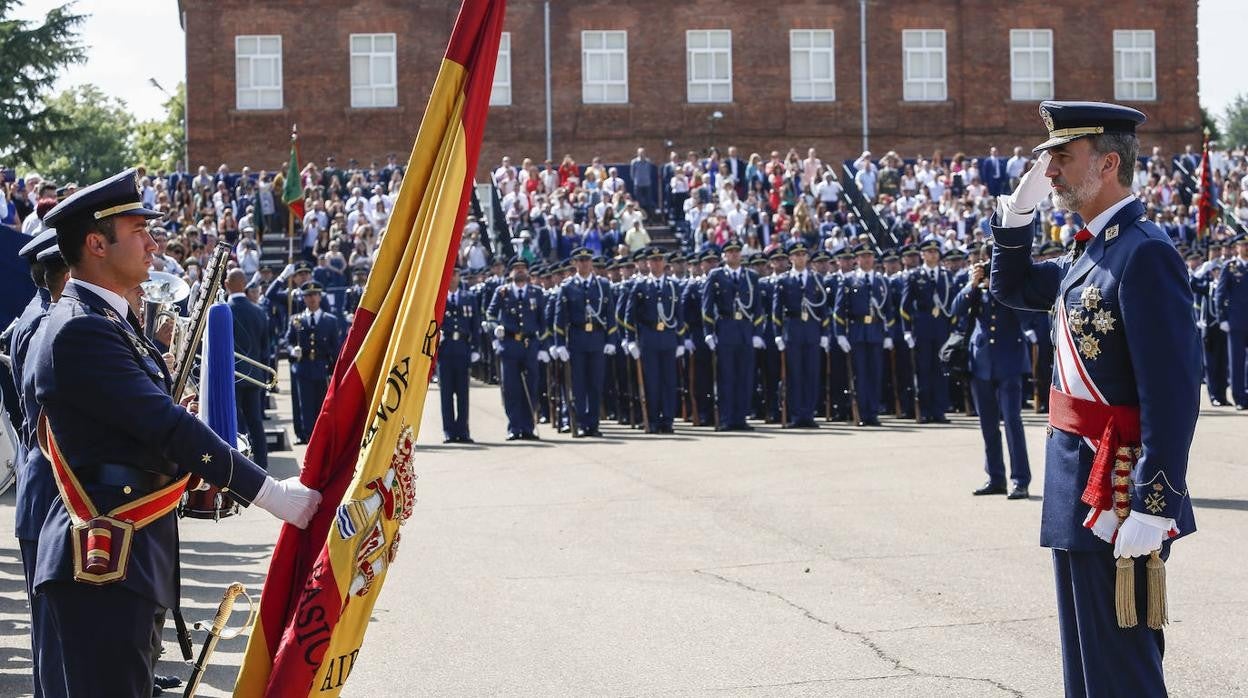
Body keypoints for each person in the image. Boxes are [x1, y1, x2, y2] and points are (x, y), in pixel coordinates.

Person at [25, 168, 320, 697]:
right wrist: (272, 495)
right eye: (139, 231)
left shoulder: (108, 321)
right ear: (96, 244)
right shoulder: (80, 328)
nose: (154, 245)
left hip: (126, 555)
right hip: (101, 564)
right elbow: (165, 426)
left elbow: (144, 425)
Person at [991, 102, 1200, 696]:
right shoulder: (1089, 250)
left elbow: (1173, 391)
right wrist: (1018, 218)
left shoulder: (1144, 252)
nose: (1050, 169)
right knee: (1085, 668)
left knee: (1122, 671)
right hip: (1075, 482)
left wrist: (1155, 501)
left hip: (1119, 490)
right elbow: (1012, 288)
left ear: (1108, 162)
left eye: (1062, 157)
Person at [953, 252, 1031, 499]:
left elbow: (1026, 314)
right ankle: (995, 477)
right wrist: (973, 285)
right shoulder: (974, 287)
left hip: (1009, 362)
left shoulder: (1011, 285)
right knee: (987, 424)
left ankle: (1020, 479)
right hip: (981, 363)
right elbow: (956, 309)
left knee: (1012, 422)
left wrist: (1001, 284)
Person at [701, 240, 766, 431]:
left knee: (744, 376)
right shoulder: (716, 275)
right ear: (724, 256)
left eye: (737, 251)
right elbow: (707, 306)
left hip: (745, 330)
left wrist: (757, 333)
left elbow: (758, 308)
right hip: (725, 328)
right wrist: (709, 333)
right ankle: (726, 417)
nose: (734, 255)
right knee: (726, 376)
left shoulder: (751, 276)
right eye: (730, 252)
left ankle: (741, 417)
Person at [551, 247, 616, 437]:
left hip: (596, 339)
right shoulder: (567, 287)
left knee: (595, 384)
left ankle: (593, 424)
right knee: (578, 385)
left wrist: (611, 339)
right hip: (577, 339)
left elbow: (609, 314)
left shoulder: (603, 285)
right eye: (580, 260)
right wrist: (560, 343)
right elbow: (560, 317)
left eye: (587, 260)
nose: (585, 263)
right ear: (574, 263)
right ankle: (579, 422)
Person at [623, 247, 688, 433]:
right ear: (648, 263)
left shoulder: (673, 286)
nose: (657, 263)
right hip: (649, 337)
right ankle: (651, 418)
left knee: (669, 381)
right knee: (652, 381)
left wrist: (681, 341)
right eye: (653, 260)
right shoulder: (640, 286)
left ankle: (667, 420)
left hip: (668, 337)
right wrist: (631, 340)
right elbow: (630, 316)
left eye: (660, 259)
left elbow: (679, 316)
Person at [487, 257, 550, 440]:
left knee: (531, 387)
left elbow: (543, 322)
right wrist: (495, 329)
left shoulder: (536, 293)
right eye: (516, 268)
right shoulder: (502, 292)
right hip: (509, 344)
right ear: (510, 273)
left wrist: (544, 346)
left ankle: (528, 426)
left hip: (530, 345)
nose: (520, 271)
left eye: (523, 268)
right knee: (511, 388)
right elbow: (490, 315)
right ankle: (514, 427)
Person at [833, 245, 895, 426]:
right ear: (856, 259)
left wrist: (889, 334)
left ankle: (872, 412)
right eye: (862, 256)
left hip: (876, 331)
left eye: (869, 256)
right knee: (859, 374)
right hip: (857, 331)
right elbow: (839, 310)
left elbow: (889, 310)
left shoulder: (882, 281)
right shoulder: (849, 280)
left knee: (875, 373)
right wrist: (840, 334)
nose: (867, 259)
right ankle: (860, 411)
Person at [771, 240, 829, 427]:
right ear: (790, 259)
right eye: (796, 255)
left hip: (811, 329)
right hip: (793, 328)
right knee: (794, 374)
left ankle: (808, 414)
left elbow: (824, 309)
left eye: (803, 254)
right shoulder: (784, 280)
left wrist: (824, 333)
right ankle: (796, 414)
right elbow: (776, 309)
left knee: (811, 374)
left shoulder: (816, 279)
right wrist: (778, 334)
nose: (800, 258)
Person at [900, 240, 955, 423]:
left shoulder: (947, 276)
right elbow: (904, 306)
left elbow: (953, 306)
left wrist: (953, 329)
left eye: (935, 251)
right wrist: (907, 330)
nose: (932, 254)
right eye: (928, 251)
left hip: (941, 329)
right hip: (922, 329)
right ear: (922, 254)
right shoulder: (915, 276)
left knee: (939, 370)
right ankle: (923, 410)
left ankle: (938, 410)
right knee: (923, 370)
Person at [285, 281, 344, 444]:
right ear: (303, 299)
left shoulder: (330, 320)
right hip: (303, 368)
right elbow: (287, 341)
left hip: (322, 368)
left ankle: (324, 438)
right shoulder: (296, 319)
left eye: (315, 295)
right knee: (305, 407)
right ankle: (309, 438)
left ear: (320, 297)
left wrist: (334, 370)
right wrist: (292, 350)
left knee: (322, 406)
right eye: (308, 296)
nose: (312, 298)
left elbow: (335, 348)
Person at [225, 268, 271, 469]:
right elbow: (265, 348)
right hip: (255, 375)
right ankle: (262, 464)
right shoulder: (258, 311)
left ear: (227, 284)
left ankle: (240, 465)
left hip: (231, 375)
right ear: (244, 285)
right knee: (255, 421)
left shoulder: (222, 310)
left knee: (235, 423)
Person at [437, 267, 480, 443]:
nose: (452, 277)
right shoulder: (439, 298)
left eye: (455, 273)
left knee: (463, 393)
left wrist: (476, 348)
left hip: (462, 347)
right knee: (446, 392)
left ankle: (463, 430)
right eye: (450, 273)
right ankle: (448, 430)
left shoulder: (468, 297)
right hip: (445, 349)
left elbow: (475, 325)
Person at [1213, 234, 1248, 409]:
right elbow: (1219, 295)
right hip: (1237, 321)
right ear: (1237, 248)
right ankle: (1240, 398)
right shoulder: (1230, 266)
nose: (1246, 248)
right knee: (1237, 361)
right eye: (1243, 245)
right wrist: (1222, 318)